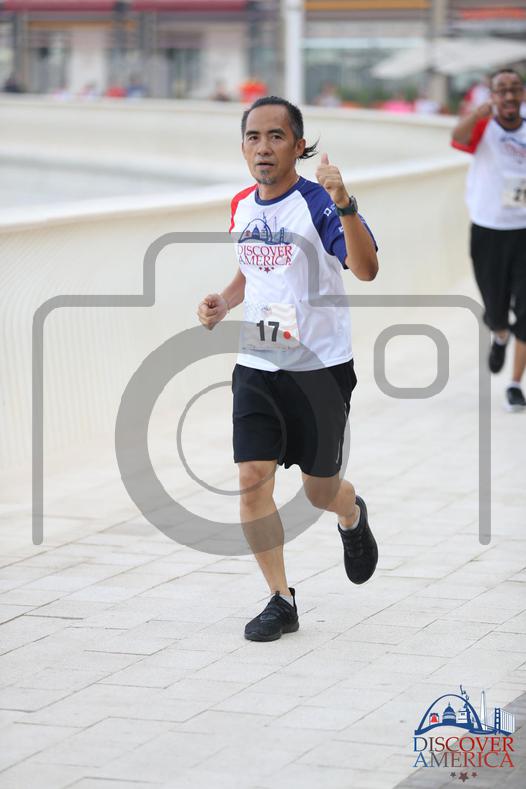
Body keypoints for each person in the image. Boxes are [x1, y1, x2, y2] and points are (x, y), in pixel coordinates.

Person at [197, 96, 379, 641]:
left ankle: (350, 512)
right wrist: (224, 301)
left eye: (276, 136)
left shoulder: (319, 204)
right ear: (243, 147)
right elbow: (251, 272)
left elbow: (366, 269)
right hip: (258, 360)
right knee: (252, 479)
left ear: (298, 146)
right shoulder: (241, 206)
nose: (263, 147)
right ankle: (281, 598)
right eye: (253, 137)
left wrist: (346, 204)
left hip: (319, 370)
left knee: (319, 491)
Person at [451, 68, 526, 411]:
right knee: (496, 310)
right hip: (489, 230)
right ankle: (499, 334)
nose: (509, 96)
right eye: (502, 90)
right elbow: (457, 137)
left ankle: (515, 383)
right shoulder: (484, 126)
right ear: (493, 96)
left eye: (515, 89)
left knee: (525, 311)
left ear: (521, 94)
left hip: (523, 230)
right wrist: (475, 114)